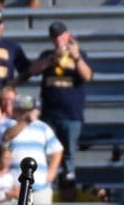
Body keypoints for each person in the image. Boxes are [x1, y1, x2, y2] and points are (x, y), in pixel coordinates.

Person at [27, 21, 88, 192]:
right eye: (55, 36)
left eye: (61, 35)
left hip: (71, 114)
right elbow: (33, 71)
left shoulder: (79, 54)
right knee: (47, 152)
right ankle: (46, 186)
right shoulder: (47, 55)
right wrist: (53, 57)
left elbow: (87, 76)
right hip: (49, 113)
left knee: (69, 155)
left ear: (68, 35)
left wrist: (76, 57)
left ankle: (67, 189)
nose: (58, 39)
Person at [2, 93, 62, 198]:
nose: (26, 113)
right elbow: (6, 137)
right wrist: (25, 121)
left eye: (29, 110)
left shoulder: (43, 127)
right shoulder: (7, 124)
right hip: (15, 189)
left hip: (40, 189)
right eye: (23, 110)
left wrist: (50, 174)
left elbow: (57, 150)